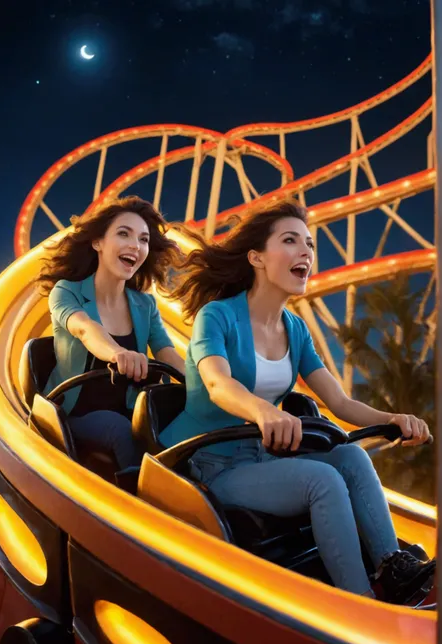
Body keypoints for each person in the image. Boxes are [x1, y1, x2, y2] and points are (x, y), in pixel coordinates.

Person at [161, 200, 435, 604]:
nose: (305, 251)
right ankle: (359, 603)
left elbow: (338, 402)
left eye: (309, 243)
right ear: (256, 257)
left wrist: (393, 418)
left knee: (351, 458)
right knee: (321, 480)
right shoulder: (216, 317)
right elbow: (218, 384)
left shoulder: (295, 328)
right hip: (210, 463)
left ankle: (391, 568)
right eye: (290, 241)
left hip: (262, 457)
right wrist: (263, 409)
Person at [38, 195, 184, 470]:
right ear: (97, 243)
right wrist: (118, 353)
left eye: (143, 239)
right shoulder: (67, 291)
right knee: (120, 430)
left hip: (132, 408)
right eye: (123, 233)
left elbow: (167, 352)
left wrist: (208, 386)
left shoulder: (145, 304)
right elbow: (85, 329)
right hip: (74, 411)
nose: (135, 245)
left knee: (181, 427)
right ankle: (138, 505)